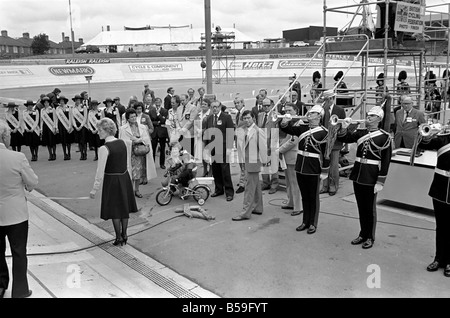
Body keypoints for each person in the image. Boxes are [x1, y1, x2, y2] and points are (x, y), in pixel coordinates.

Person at [336, 106, 392, 249]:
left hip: (371, 175)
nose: (368, 118)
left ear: (379, 119)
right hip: (358, 173)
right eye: (368, 115)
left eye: (372, 116)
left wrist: (381, 180)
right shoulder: (361, 132)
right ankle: (362, 233)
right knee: (361, 207)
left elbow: (385, 161)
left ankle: (370, 237)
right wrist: (345, 127)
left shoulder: (384, 137)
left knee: (369, 209)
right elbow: (344, 138)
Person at [0, 119, 38, 298]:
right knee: (19, 253)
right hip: (16, 214)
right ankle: (20, 290)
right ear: (4, 136)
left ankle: (0, 285)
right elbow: (32, 182)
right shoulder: (17, 157)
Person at [279, 105, 330, 234]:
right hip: (300, 165)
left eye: (313, 113)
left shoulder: (324, 132)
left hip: (313, 167)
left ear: (319, 116)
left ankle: (313, 223)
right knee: (305, 196)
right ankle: (305, 221)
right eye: (310, 113)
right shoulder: (303, 128)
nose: (309, 115)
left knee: (313, 197)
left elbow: (326, 154)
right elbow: (287, 129)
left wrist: (324, 170)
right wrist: (284, 121)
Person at [89, 118, 138, 246]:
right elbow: (127, 163)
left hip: (112, 179)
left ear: (106, 131)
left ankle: (118, 237)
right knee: (124, 207)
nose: (97, 132)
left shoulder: (104, 148)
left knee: (115, 208)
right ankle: (125, 234)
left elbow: (100, 171)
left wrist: (95, 189)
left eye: (99, 130)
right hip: (124, 177)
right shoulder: (122, 143)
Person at [417, 128, 450, 277]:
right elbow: (424, 145)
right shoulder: (443, 138)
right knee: (441, 226)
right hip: (440, 188)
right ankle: (439, 259)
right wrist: (426, 135)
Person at [232, 110, 268, 221]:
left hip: (253, 162)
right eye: (244, 118)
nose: (246, 120)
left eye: (248, 118)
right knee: (256, 186)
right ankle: (258, 207)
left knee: (248, 189)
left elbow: (263, 148)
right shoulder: (245, 130)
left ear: (253, 118)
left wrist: (263, 162)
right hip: (247, 161)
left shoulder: (258, 131)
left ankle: (245, 212)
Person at [119, 109, 157, 198]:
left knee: (139, 172)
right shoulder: (123, 129)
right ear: (127, 118)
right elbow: (122, 141)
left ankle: (137, 190)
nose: (133, 118)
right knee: (131, 172)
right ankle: (130, 190)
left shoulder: (142, 127)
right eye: (131, 117)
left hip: (140, 152)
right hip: (130, 153)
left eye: (134, 116)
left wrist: (139, 140)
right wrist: (132, 142)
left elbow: (146, 138)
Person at [203, 100, 235, 201]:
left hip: (223, 147)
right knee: (216, 170)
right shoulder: (209, 118)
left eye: (216, 106)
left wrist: (229, 148)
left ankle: (229, 192)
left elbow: (230, 133)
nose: (215, 109)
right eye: (213, 107)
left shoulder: (226, 117)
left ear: (220, 106)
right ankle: (219, 189)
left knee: (225, 170)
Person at [277, 103, 303, 216]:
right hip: (287, 156)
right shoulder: (289, 122)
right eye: (285, 111)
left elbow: (293, 140)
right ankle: (291, 202)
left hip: (293, 156)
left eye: (290, 110)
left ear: (296, 111)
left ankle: (298, 206)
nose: (287, 113)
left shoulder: (299, 122)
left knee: (295, 183)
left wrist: (279, 150)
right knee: (289, 181)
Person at [320, 90, 346, 196]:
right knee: (324, 165)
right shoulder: (322, 110)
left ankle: (333, 186)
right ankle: (325, 186)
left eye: (326, 99)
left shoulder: (340, 110)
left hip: (335, 142)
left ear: (331, 99)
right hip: (324, 141)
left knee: (334, 165)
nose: (325, 102)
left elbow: (343, 125)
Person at [258, 98, 279, 194]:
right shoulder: (260, 115)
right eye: (264, 105)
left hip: (272, 142)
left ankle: (274, 184)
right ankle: (265, 182)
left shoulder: (275, 116)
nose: (266, 107)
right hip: (262, 142)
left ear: (272, 105)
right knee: (264, 164)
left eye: (268, 105)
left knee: (273, 164)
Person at [148, 97, 169, 169]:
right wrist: (157, 122)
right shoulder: (151, 111)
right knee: (153, 148)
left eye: (159, 102)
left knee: (162, 148)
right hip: (154, 132)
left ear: (161, 102)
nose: (157, 103)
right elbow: (150, 121)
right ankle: (152, 164)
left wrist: (158, 114)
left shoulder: (165, 111)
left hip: (162, 132)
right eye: (156, 102)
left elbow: (163, 121)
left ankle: (162, 164)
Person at [40, 96, 59, 161]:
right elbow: (41, 120)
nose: (46, 104)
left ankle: (54, 154)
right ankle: (50, 154)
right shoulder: (42, 110)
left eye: (47, 102)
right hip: (45, 127)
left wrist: (55, 127)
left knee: (52, 141)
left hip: (52, 127)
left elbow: (55, 119)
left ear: (49, 103)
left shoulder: (52, 109)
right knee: (47, 142)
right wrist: (41, 129)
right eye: (45, 103)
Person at [234, 97, 246, 193]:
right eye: (235, 103)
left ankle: (243, 183)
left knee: (244, 163)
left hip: (244, 141)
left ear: (243, 103)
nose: (236, 104)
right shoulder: (237, 114)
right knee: (241, 162)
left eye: (238, 103)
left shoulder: (245, 113)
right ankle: (243, 179)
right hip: (238, 140)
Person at [55, 96, 74, 160]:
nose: (61, 102)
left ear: (65, 101)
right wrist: (56, 127)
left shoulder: (69, 107)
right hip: (61, 126)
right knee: (63, 141)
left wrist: (70, 126)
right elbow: (56, 118)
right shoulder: (57, 109)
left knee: (68, 140)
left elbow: (71, 117)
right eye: (60, 101)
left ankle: (69, 153)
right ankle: (65, 154)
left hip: (68, 125)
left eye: (62, 101)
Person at [71, 94, 88, 160]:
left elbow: (85, 117)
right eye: (76, 100)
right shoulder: (73, 108)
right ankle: (81, 154)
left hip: (83, 126)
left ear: (80, 100)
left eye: (78, 100)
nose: (77, 101)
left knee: (84, 141)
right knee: (79, 141)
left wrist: (81, 126)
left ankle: (85, 153)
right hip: (76, 126)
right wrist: (75, 126)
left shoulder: (84, 107)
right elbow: (72, 117)